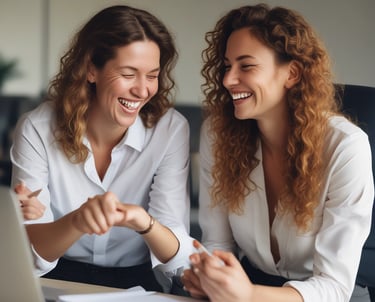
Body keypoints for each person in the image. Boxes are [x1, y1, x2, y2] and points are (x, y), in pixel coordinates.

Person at [181, 4, 374, 302]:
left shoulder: (345, 147)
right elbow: (218, 245)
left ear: (292, 73)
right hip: (245, 290)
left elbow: (334, 287)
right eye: (227, 66)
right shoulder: (218, 136)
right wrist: (210, 279)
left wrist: (248, 295)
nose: (228, 79)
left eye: (246, 66)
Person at [11, 5, 194, 292]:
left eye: (152, 75)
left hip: (136, 283)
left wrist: (142, 221)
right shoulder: (37, 127)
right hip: (58, 276)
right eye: (129, 73)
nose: (142, 90)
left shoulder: (170, 130)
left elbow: (177, 256)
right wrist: (77, 221)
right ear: (91, 69)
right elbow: (33, 256)